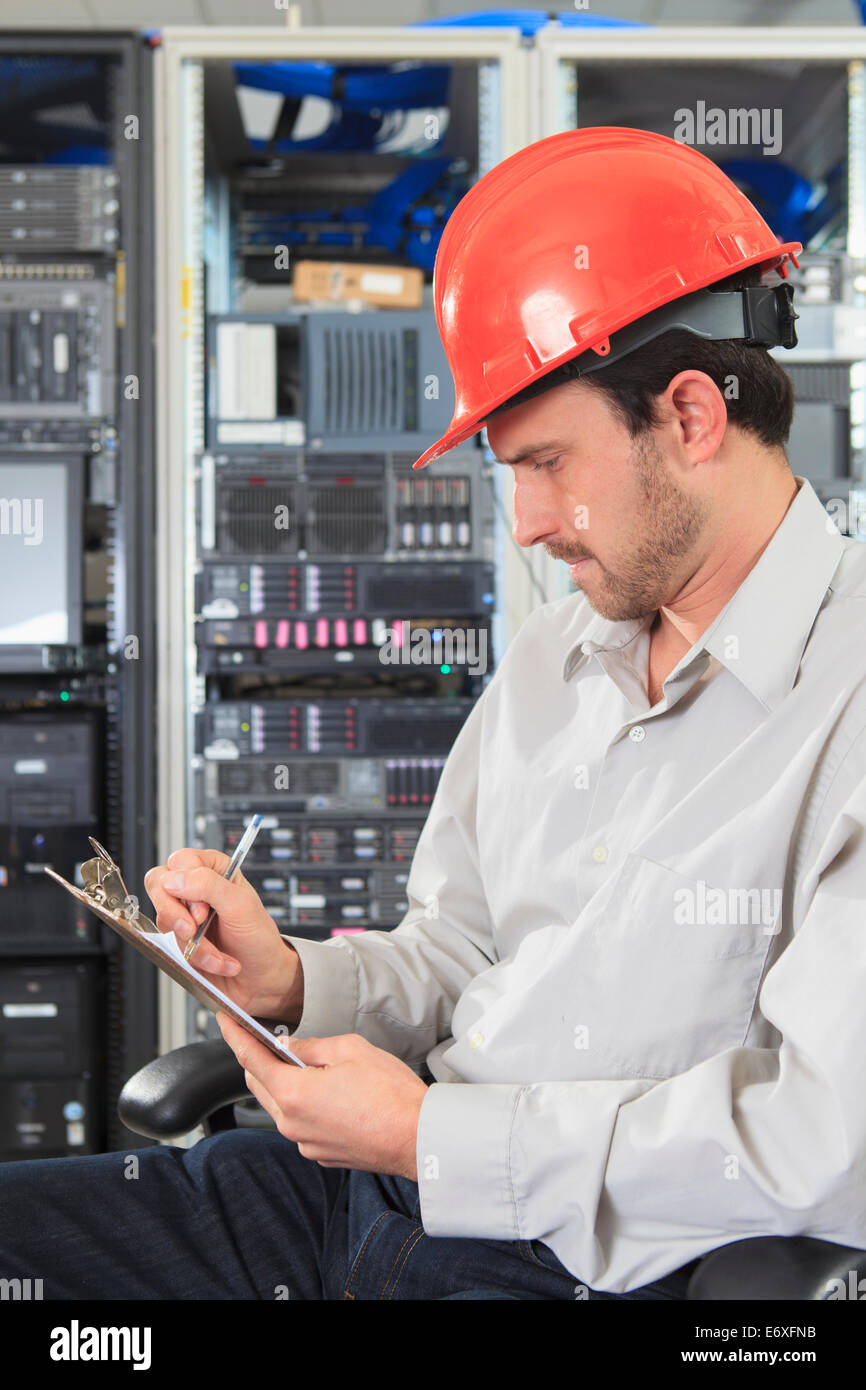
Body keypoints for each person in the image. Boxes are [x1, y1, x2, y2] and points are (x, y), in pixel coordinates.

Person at [2, 127, 865, 1301]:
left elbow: (819, 1142)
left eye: (548, 463)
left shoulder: (845, 700)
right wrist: (292, 980)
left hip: (581, 1269)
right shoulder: (556, 655)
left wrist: (428, 1139)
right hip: (362, 1200)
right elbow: (461, 951)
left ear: (690, 416)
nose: (522, 522)